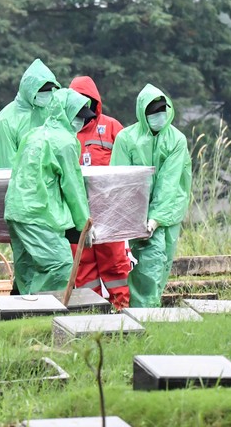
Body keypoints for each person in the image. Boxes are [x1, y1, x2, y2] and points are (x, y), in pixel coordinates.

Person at [111, 84, 192, 307]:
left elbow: (170, 184)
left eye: (162, 111)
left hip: (165, 214)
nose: (159, 116)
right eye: (153, 112)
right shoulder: (126, 138)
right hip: (132, 216)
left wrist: (154, 219)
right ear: (143, 113)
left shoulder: (176, 140)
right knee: (138, 266)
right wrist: (128, 219)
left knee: (158, 264)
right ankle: (141, 314)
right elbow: (120, 180)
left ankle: (145, 313)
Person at [4, 88, 91, 294]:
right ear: (65, 113)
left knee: (27, 269)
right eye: (78, 117)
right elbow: (73, 186)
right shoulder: (65, 142)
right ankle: (42, 310)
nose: (81, 122)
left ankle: (21, 316)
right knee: (59, 264)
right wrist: (84, 223)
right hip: (39, 213)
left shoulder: (33, 134)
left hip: (16, 210)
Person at [68, 76, 132, 309]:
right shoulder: (65, 132)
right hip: (76, 213)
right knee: (82, 265)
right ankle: (90, 311)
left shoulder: (113, 128)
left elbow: (129, 168)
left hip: (110, 212)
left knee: (115, 263)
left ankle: (121, 309)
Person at [0, 59, 60, 168]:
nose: (47, 94)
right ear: (29, 90)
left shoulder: (53, 109)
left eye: (50, 89)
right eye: (42, 90)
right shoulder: (6, 120)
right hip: (21, 183)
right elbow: (5, 165)